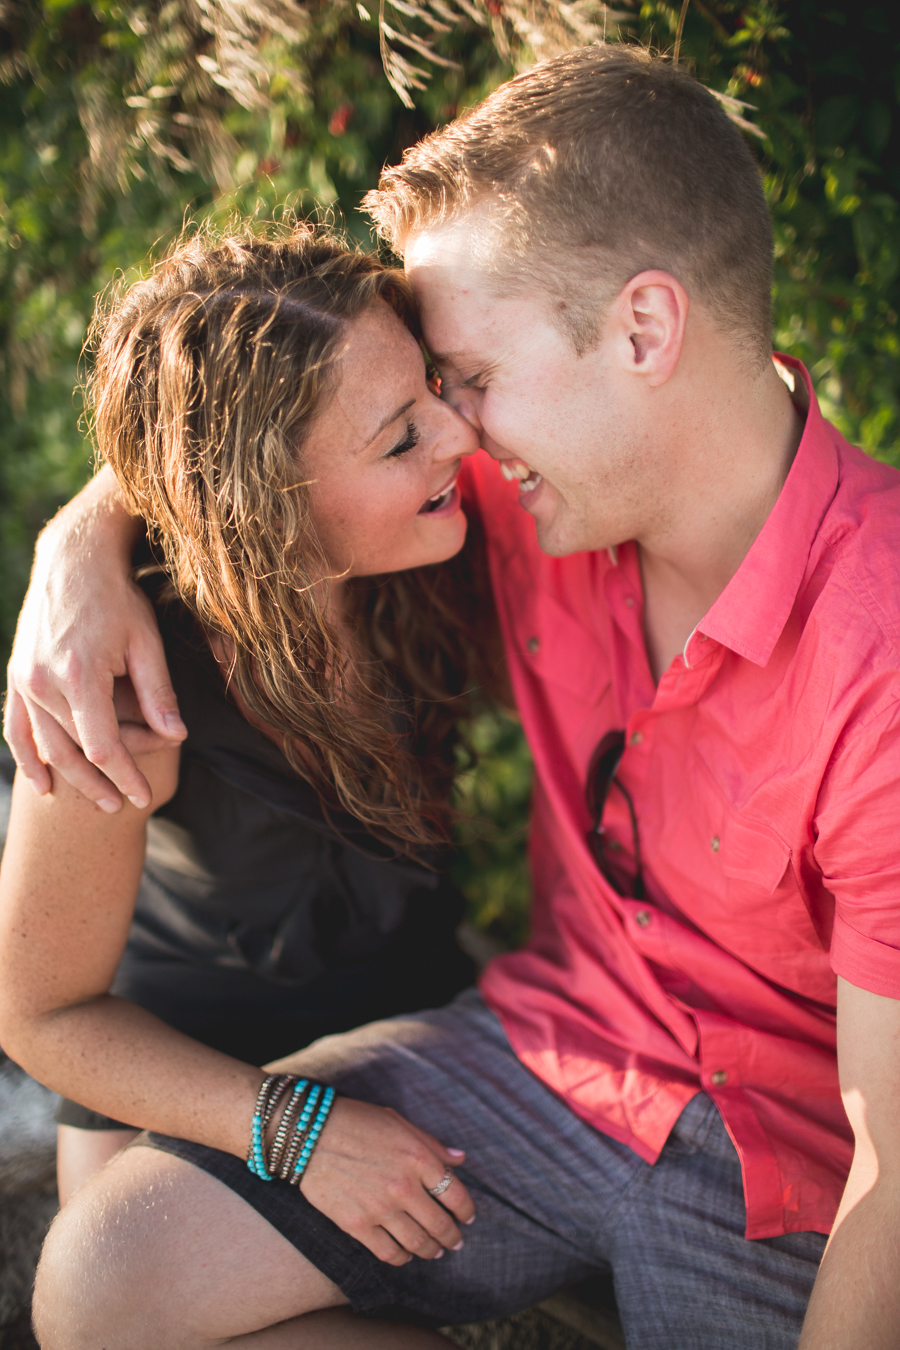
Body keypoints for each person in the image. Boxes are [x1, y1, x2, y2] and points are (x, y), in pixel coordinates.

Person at [5, 43, 899, 1350]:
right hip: (533, 1048)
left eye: (466, 377)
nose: (460, 432)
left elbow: (892, 1168)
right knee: (105, 1287)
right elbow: (246, 434)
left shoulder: (858, 639)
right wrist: (76, 547)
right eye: (437, 396)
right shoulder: (528, 492)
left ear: (642, 331)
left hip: (787, 1151)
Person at [0, 222, 501, 1227]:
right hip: (192, 1086)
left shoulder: (433, 546)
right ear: (265, 503)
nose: (462, 437)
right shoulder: (130, 687)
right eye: (402, 435)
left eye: (436, 391)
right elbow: (43, 1017)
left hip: (417, 1029)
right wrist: (296, 1129)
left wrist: (77, 528)